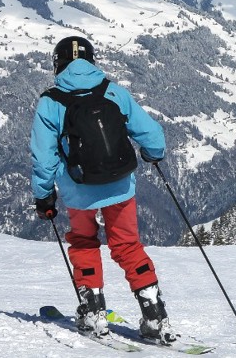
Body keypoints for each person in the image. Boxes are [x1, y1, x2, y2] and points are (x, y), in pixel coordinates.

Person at [30, 35, 177, 343]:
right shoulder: (113, 91)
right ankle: (154, 315)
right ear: (92, 59)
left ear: (57, 64)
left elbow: (43, 158)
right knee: (127, 246)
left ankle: (93, 311)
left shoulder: (50, 102)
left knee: (84, 242)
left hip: (78, 189)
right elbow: (153, 136)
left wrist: (44, 196)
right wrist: (152, 154)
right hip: (120, 185)